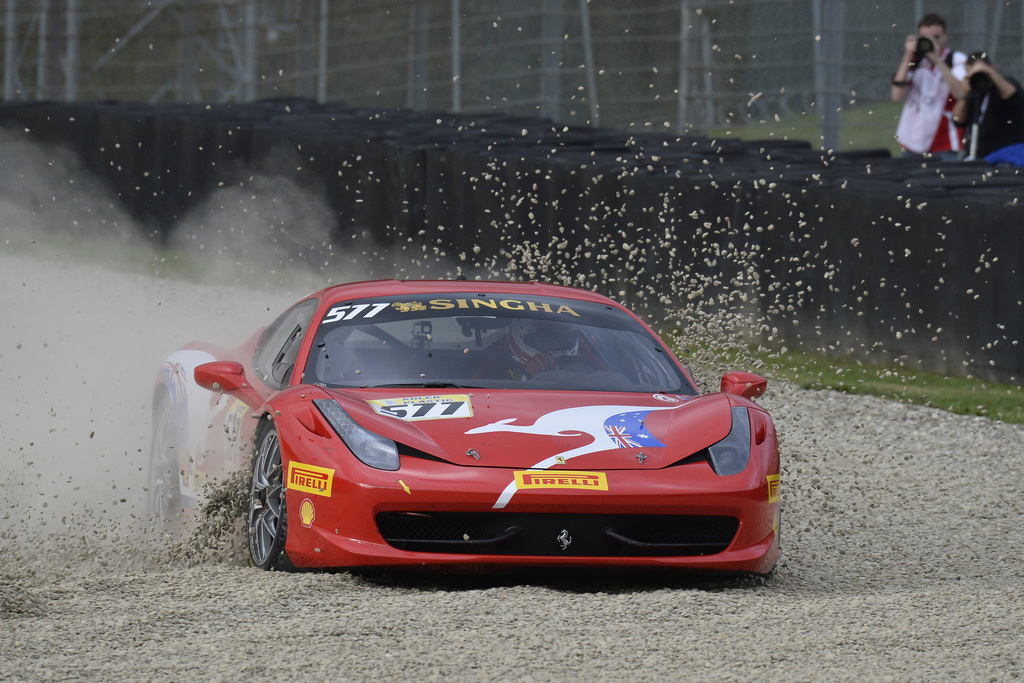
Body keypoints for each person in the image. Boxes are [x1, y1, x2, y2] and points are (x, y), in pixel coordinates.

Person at [891, 13, 967, 158]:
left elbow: (961, 93)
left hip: (945, 141)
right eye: (926, 38)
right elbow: (897, 95)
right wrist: (908, 55)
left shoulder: (956, 59)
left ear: (945, 36)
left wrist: (938, 61)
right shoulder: (914, 61)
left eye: (937, 37)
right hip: (912, 140)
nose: (932, 42)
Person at [952, 52, 1024, 165]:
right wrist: (964, 95)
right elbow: (958, 120)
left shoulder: (1007, 84)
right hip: (980, 157)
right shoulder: (974, 94)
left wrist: (988, 72)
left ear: (992, 68)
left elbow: (1013, 97)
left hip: (1006, 155)